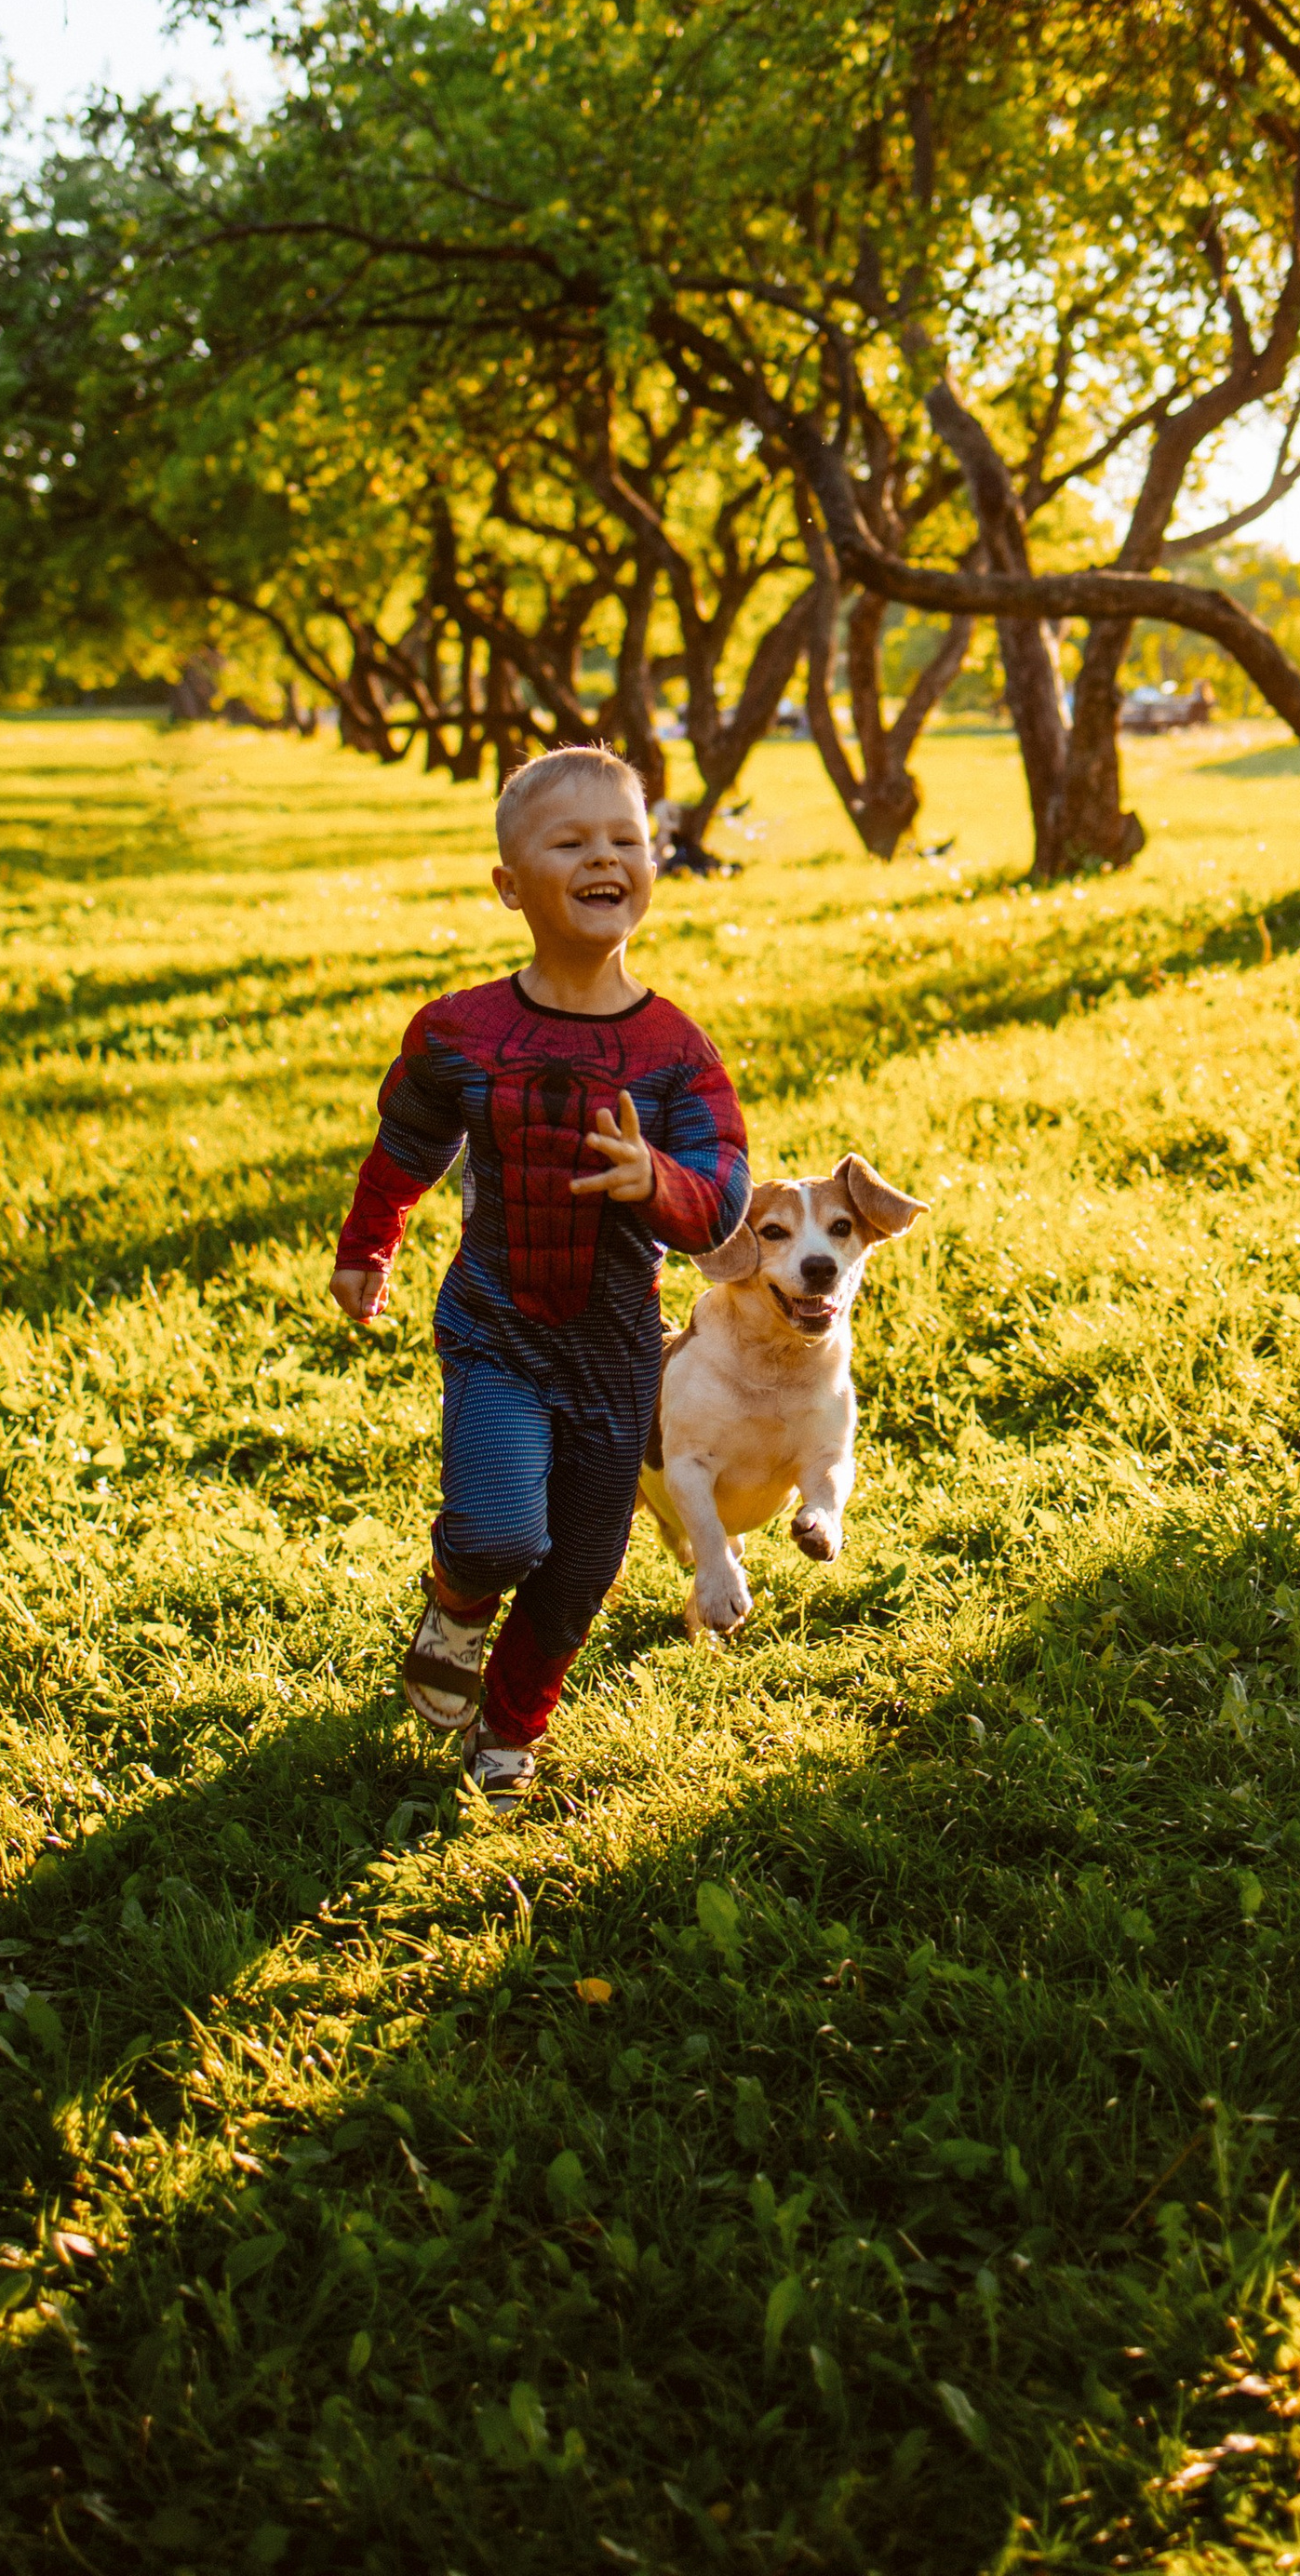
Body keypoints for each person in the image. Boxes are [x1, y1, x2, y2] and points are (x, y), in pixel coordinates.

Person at [329, 745, 750, 1808]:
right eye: (570, 843)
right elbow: (408, 1144)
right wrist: (367, 1243)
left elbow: (723, 1194)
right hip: (497, 1325)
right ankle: (457, 1595)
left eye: (625, 839)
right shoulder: (461, 1031)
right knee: (503, 1533)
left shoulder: (673, 1051)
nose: (604, 857)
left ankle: (509, 1727)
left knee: (575, 1575)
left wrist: (652, 1178)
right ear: (511, 887)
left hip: (613, 1349)